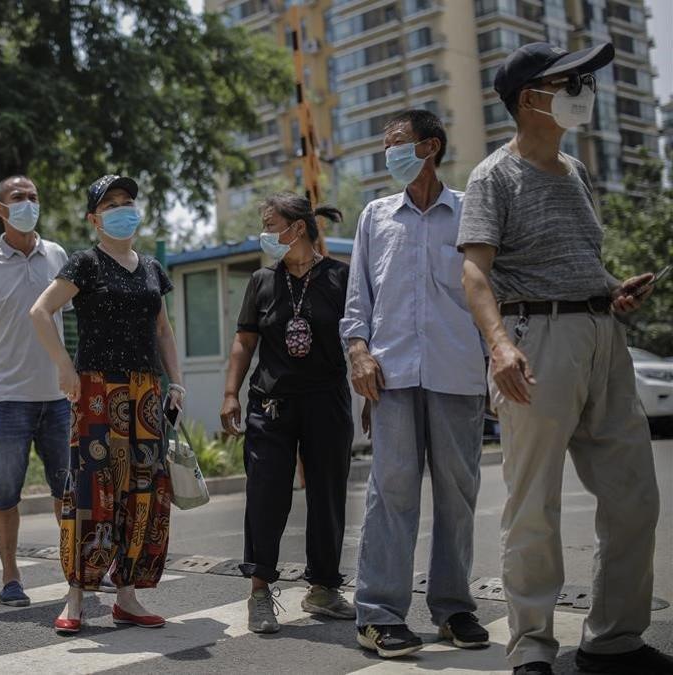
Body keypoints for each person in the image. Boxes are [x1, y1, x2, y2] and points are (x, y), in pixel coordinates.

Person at [460, 42, 673, 675]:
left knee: (635, 497)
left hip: (602, 338)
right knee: (534, 506)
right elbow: (474, 273)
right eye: (571, 80)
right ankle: (531, 648)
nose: (585, 88)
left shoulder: (577, 171)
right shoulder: (492, 176)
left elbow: (575, 255)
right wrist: (500, 346)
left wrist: (611, 287)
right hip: (535, 343)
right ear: (530, 97)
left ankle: (614, 640)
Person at [341, 110, 490, 658]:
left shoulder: (471, 213)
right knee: (392, 494)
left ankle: (454, 610)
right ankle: (378, 615)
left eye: (398, 143)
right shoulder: (375, 216)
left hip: (458, 375)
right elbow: (359, 298)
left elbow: (490, 294)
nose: (389, 153)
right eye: (386, 145)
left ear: (430, 147)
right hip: (392, 375)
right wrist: (358, 353)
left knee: (458, 496)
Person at [29, 174, 181, 634]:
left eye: (128, 201)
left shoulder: (153, 268)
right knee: (92, 493)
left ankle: (128, 597)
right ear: (94, 218)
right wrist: (64, 368)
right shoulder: (86, 263)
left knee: (145, 493)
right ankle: (76, 597)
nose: (122, 209)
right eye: (110, 203)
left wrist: (177, 384)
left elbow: (164, 331)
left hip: (146, 394)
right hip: (96, 390)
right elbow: (40, 311)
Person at [218, 191, 353, 635]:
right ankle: (259, 593)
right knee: (265, 495)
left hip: (327, 401)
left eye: (271, 222)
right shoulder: (262, 281)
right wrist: (231, 393)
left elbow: (362, 338)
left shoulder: (340, 278)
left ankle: (324, 588)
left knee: (328, 495)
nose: (265, 232)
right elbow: (244, 341)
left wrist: (373, 396)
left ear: (297, 228)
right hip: (271, 403)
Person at [0, 175, 71, 608]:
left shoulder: (58, 255)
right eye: (17, 198)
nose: (28, 203)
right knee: (4, 491)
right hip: (7, 397)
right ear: (0, 209)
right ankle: (10, 577)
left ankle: (76, 572)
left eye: (33, 196)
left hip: (58, 396)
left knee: (67, 490)